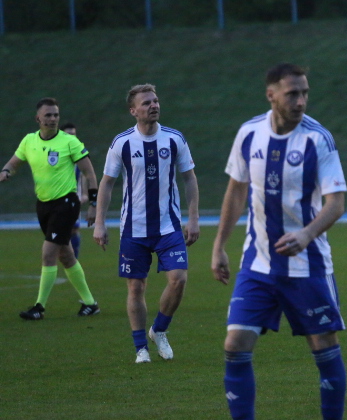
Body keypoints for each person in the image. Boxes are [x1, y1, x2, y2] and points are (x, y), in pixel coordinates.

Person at [211, 63, 347, 420]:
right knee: (235, 344)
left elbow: (336, 203)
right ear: (271, 95)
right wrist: (219, 245)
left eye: (304, 92)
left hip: (308, 265)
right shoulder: (249, 133)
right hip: (258, 264)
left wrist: (307, 234)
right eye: (292, 93)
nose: (301, 101)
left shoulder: (318, 139)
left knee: (323, 347)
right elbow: (236, 190)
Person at [93, 84, 200, 364]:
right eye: (146, 103)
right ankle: (141, 348)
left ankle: (159, 330)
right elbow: (107, 183)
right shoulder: (122, 143)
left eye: (155, 101)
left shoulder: (174, 139)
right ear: (133, 111)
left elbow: (189, 178)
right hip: (134, 228)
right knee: (136, 288)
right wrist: (99, 223)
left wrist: (193, 218)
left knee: (179, 279)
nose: (153, 105)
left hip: (169, 226)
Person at [0, 98, 100, 320]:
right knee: (66, 255)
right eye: (48, 115)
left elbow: (90, 174)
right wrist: (6, 172)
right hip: (43, 205)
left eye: (56, 115)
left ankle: (39, 307)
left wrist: (93, 204)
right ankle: (90, 303)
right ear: (38, 118)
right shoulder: (29, 141)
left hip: (66, 203)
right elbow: (14, 163)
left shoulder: (70, 142)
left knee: (48, 253)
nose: (53, 118)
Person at [60, 122, 88, 258]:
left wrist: (84, 194)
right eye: (68, 134)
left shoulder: (79, 151)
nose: (72, 137)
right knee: (58, 232)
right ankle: (60, 257)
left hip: (73, 197)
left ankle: (73, 260)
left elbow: (84, 174)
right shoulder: (56, 152)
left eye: (74, 134)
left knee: (74, 229)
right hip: (56, 198)